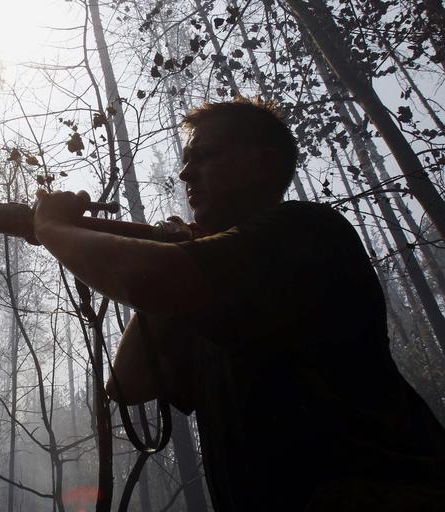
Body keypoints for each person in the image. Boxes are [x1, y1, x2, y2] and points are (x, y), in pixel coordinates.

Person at [33, 97, 445, 511]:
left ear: (261, 164)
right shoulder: (209, 292)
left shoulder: (306, 231)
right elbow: (128, 383)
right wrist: (174, 260)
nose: (185, 173)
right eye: (185, 159)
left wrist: (50, 228)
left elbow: (157, 277)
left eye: (203, 156)